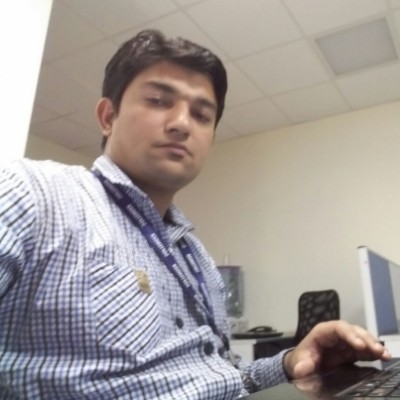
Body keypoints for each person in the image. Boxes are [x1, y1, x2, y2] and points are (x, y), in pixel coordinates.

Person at [0, 29, 390, 400]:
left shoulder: (197, 258)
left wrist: (291, 361)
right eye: (158, 100)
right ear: (108, 116)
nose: (182, 124)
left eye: (202, 115)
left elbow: (223, 376)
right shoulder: (34, 195)